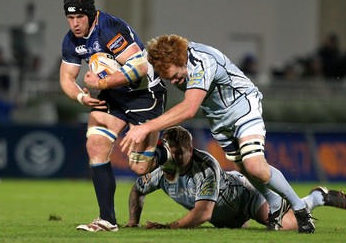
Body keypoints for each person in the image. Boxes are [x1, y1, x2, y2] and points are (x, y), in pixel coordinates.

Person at [120, 34, 316, 233]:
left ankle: (300, 208)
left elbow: (189, 108)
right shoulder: (169, 65)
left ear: (180, 59)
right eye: (168, 78)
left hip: (242, 105)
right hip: (218, 117)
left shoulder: (202, 61)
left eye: (175, 75)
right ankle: (276, 204)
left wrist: (146, 127)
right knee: (245, 169)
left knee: (254, 165)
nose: (173, 81)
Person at [59, 0, 172, 232]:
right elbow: (66, 78)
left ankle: (170, 152)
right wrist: (80, 96)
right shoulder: (71, 40)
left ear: (90, 14)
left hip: (144, 94)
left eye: (79, 17)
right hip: (114, 95)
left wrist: (100, 84)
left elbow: (139, 67)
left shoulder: (110, 28)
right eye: (70, 18)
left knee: (139, 167)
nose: (75, 23)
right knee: (96, 144)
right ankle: (107, 219)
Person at [125, 126, 346, 230]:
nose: (176, 157)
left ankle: (316, 197)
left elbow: (203, 213)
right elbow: (137, 190)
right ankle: (314, 197)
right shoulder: (159, 171)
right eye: (172, 152)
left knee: (285, 226)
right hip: (227, 217)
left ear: (190, 150)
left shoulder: (205, 167)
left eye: (180, 153)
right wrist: (134, 221)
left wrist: (168, 227)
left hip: (245, 197)